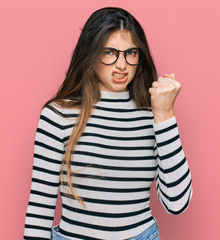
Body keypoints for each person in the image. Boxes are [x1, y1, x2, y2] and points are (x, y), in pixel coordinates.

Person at [23, 7, 193, 240]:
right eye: (110, 52)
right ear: (91, 53)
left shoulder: (152, 115)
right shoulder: (58, 115)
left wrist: (164, 115)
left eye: (130, 53)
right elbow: (39, 210)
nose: (121, 65)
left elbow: (177, 203)